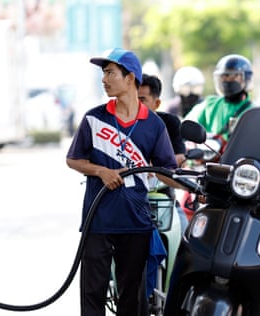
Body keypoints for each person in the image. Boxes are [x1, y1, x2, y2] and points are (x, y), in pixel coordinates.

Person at [66, 48, 177, 316]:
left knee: (132, 297)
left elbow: (166, 170)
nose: (104, 79)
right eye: (103, 73)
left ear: (130, 78)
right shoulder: (94, 118)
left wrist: (197, 191)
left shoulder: (154, 125)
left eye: (110, 73)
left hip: (136, 222)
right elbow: (73, 160)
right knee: (92, 295)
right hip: (98, 221)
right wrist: (100, 171)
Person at [138, 73, 189, 233]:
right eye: (132, 98)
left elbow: (180, 156)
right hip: (128, 200)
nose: (135, 105)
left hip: (163, 196)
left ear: (157, 103)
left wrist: (152, 167)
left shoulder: (169, 122)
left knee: (187, 238)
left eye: (142, 100)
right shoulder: (117, 124)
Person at [184, 54, 253, 141]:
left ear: (246, 78)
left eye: (233, 76)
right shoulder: (210, 105)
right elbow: (188, 123)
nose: (226, 81)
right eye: (223, 77)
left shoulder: (254, 112)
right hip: (211, 153)